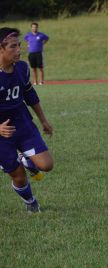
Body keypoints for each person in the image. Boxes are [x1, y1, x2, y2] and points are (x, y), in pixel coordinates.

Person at [0, 27, 54, 213]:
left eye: (19, 46)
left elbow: (30, 95)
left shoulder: (22, 68)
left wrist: (44, 120)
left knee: (46, 165)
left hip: (22, 123)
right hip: (1, 134)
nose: (19, 50)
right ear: (1, 49)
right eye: (13, 47)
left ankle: (25, 158)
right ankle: (30, 201)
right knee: (19, 177)